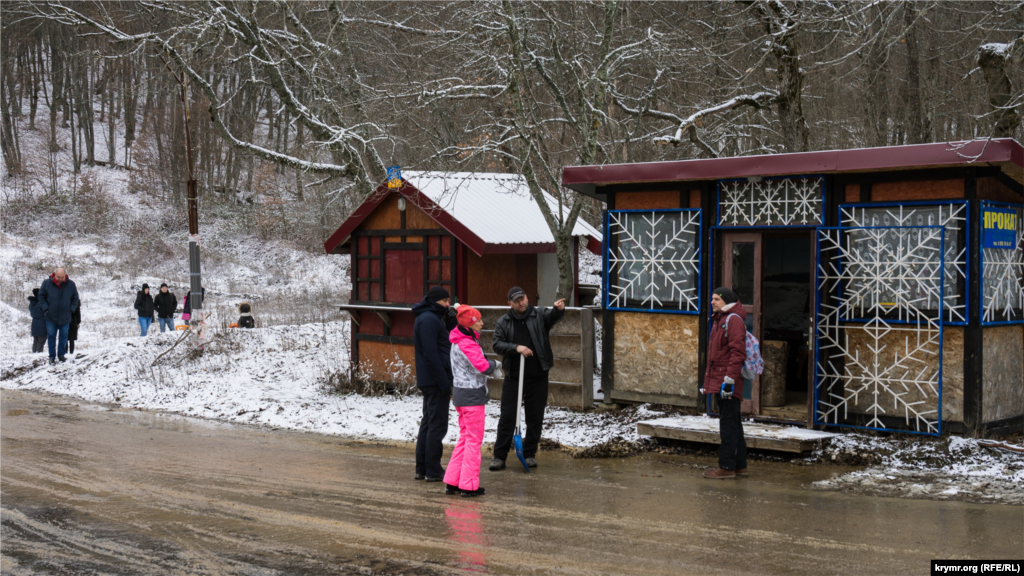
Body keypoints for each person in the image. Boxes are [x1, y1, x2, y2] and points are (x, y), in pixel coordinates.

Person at [489, 287, 565, 471]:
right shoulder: (504, 321)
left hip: (538, 377)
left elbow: (552, 318)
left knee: (535, 416)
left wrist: (558, 310)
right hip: (514, 377)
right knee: (507, 416)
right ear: (510, 303)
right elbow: (497, 344)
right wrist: (516, 347)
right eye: (517, 301)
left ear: (527, 297)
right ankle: (500, 457)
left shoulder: (539, 315)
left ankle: (529, 454)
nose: (521, 303)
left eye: (523, 299)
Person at [443, 305, 501, 497]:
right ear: (470, 323)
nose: (482, 323)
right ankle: (468, 485)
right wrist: (495, 364)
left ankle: (453, 481)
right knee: (473, 441)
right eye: (479, 320)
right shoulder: (467, 342)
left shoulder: (459, 340)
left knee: (465, 438)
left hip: (461, 395)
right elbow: (482, 366)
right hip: (472, 397)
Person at [701, 287, 749, 480]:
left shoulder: (733, 320)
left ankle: (727, 467)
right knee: (734, 422)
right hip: (723, 379)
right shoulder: (720, 319)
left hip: (727, 381)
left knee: (728, 424)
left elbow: (738, 353)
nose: (712, 302)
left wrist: (729, 380)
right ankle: (740, 466)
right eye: (712, 298)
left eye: (716, 299)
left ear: (726, 301)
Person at [412, 286, 457, 482]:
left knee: (428, 423)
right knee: (437, 426)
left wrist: (451, 320)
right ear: (435, 301)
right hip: (435, 380)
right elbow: (431, 353)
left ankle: (422, 468)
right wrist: (444, 381)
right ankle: (433, 469)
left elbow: (444, 341)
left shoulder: (428, 317)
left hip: (430, 379)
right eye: (445, 302)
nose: (448, 305)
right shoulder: (429, 319)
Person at [38, 267, 80, 364]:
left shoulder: (71, 284)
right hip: (50, 316)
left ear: (65, 275)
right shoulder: (46, 283)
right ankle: (51, 356)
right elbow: (41, 296)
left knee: (64, 336)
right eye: (58, 277)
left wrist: (71, 309)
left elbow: (75, 298)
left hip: (65, 316)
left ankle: (61, 355)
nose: (60, 279)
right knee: (51, 336)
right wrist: (45, 308)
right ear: (54, 275)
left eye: (62, 277)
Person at [28, 288, 46, 353]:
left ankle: (34, 354)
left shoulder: (32, 303)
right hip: (42, 324)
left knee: (35, 341)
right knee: (41, 342)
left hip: (34, 323)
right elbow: (46, 313)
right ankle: (39, 355)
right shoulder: (41, 303)